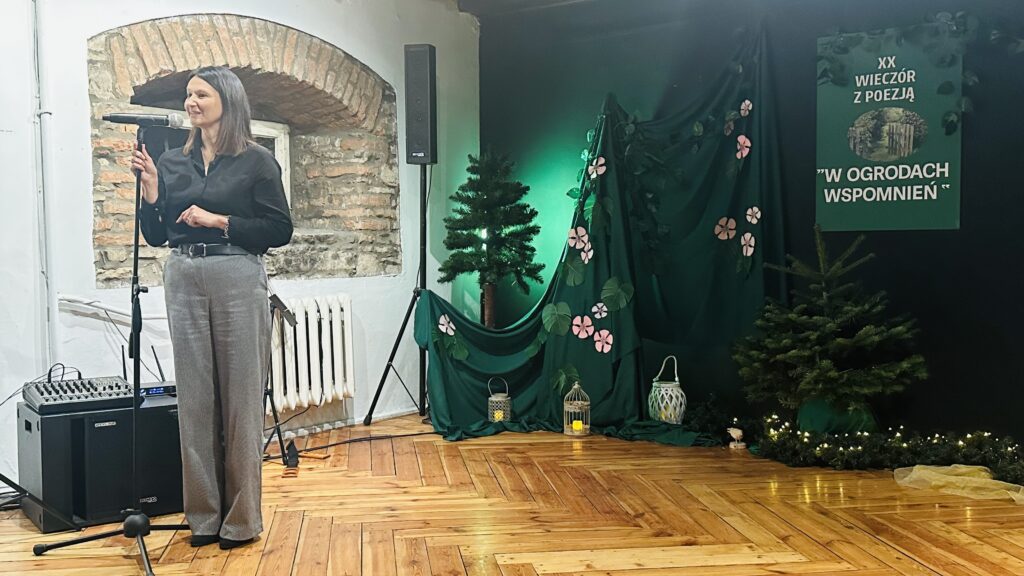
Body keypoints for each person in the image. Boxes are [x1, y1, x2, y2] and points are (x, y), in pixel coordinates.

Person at [132, 66, 292, 550]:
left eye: (201, 94)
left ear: (228, 99)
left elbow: (279, 229)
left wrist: (219, 220)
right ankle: (202, 517)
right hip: (183, 275)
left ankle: (241, 521)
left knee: (241, 398)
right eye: (188, 94)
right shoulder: (172, 161)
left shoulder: (257, 161)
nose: (191, 102)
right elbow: (157, 234)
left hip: (236, 274)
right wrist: (152, 190)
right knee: (195, 400)